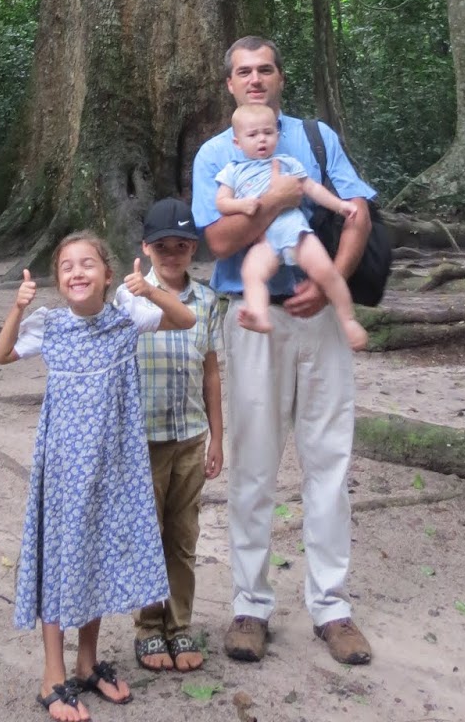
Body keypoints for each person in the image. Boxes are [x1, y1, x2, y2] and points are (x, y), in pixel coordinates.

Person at [191, 37, 375, 669]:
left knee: (329, 459)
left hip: (319, 318)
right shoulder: (216, 152)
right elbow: (219, 241)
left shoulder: (315, 138)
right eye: (243, 71)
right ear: (229, 84)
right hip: (254, 318)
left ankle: (332, 607)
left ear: (279, 77)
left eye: (264, 69)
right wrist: (275, 200)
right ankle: (251, 605)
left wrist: (332, 285)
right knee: (253, 464)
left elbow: (357, 212)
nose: (255, 79)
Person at [0, 231, 195, 722]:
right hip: (63, 471)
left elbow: (186, 319)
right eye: (66, 267)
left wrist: (150, 290)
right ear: (58, 281)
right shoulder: (51, 325)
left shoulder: (127, 317)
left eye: (87, 264)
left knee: (97, 559)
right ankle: (52, 676)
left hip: (112, 468)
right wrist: (18, 308)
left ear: (107, 275)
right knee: (60, 561)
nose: (77, 273)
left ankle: (87, 664)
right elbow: (1, 354)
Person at [131, 198, 224, 675]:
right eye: (162, 246)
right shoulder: (128, 298)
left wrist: (217, 437)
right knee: (146, 534)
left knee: (184, 535)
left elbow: (211, 372)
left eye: (182, 246)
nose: (172, 254)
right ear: (146, 248)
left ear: (194, 249)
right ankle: (148, 626)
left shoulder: (206, 300)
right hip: (142, 438)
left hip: (189, 435)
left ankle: (179, 623)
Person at [215, 103, 369, 348]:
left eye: (268, 132)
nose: (261, 139)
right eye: (252, 135)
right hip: (265, 242)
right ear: (237, 142)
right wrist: (242, 205)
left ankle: (347, 319)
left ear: (277, 135)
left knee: (326, 271)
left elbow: (313, 189)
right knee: (251, 273)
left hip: (296, 233)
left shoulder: (287, 163)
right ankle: (259, 315)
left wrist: (340, 206)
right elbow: (222, 203)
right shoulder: (232, 171)